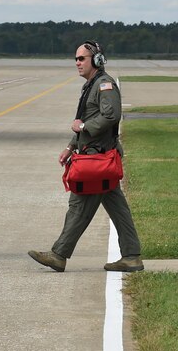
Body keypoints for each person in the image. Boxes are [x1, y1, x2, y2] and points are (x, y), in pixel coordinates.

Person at [28, 40, 144, 273]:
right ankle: (131, 256)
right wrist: (71, 147)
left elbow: (111, 117)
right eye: (76, 59)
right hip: (94, 156)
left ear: (97, 60)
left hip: (97, 160)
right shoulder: (91, 86)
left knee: (79, 206)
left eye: (82, 58)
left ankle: (59, 255)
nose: (77, 63)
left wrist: (82, 128)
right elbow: (85, 120)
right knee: (118, 209)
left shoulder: (104, 85)